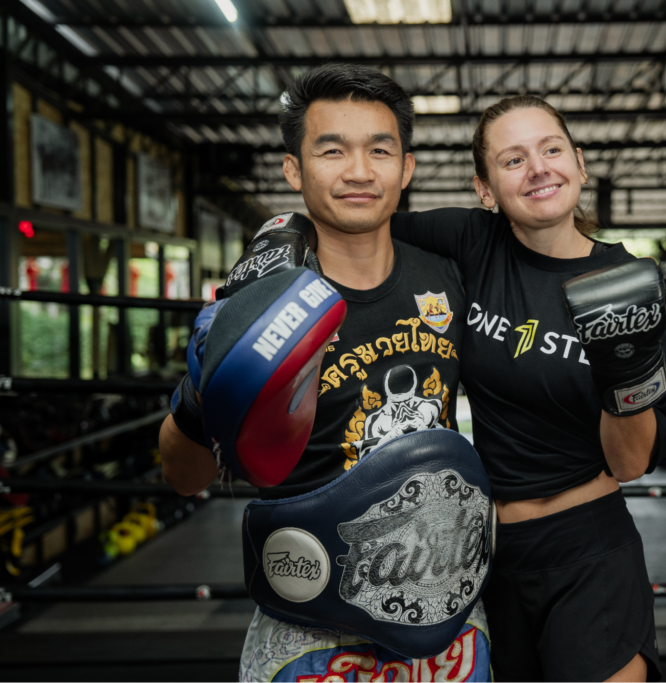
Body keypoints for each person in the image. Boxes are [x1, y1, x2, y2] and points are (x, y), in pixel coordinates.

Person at [158, 65, 491, 683]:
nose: (359, 171)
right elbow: (182, 477)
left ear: (406, 168)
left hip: (445, 616)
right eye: (332, 150)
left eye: (379, 151)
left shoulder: (449, 277)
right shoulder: (261, 304)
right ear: (294, 170)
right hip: (309, 630)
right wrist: (211, 384)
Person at [388, 95, 666, 683]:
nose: (538, 168)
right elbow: (364, 219)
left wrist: (623, 367)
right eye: (513, 159)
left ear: (579, 163)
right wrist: (286, 240)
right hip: (485, 555)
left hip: (589, 551)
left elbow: (629, 463)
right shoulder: (474, 241)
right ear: (485, 189)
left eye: (551, 149)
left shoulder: (632, 285)